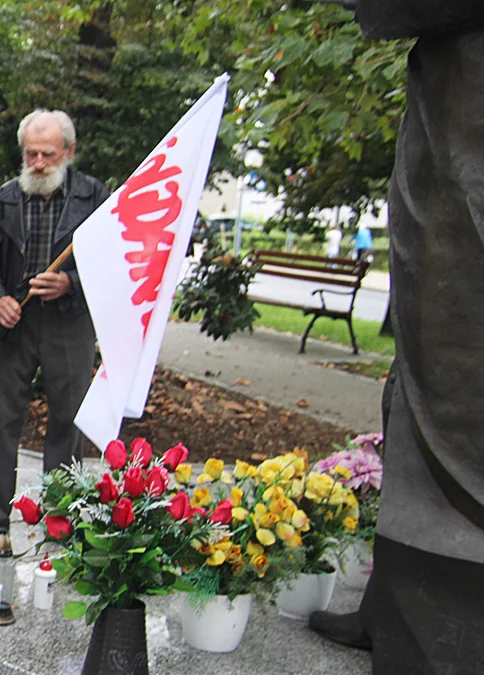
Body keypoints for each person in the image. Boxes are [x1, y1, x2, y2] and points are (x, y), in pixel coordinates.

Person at [307, 2, 484, 671]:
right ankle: (395, 603)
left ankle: (444, 625)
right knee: (418, 367)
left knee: (456, 371)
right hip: (449, 93)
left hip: (470, 107)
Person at [0, 110, 109, 533]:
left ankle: (60, 515)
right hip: (15, 320)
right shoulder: (7, 198)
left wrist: (71, 282)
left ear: (68, 151)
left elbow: (110, 259)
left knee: (68, 419)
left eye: (48, 154)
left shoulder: (93, 196)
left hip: (70, 323)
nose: (38, 163)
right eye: (31, 154)